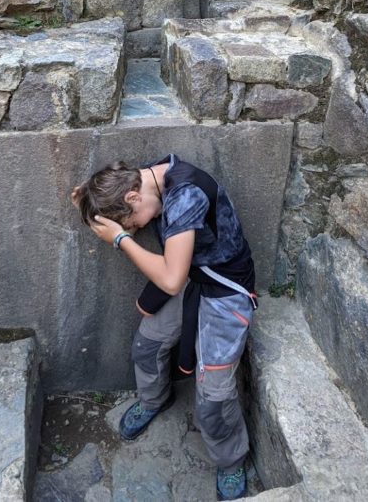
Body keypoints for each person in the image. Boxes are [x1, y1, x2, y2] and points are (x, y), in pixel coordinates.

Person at [71, 154, 257, 502]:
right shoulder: (148, 177)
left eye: (132, 223)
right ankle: (155, 399)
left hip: (223, 286)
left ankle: (231, 461)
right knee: (147, 345)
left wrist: (120, 239)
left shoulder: (184, 196)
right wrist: (89, 198)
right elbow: (112, 184)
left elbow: (171, 280)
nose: (136, 229)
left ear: (132, 197)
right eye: (131, 229)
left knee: (213, 396)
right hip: (190, 273)